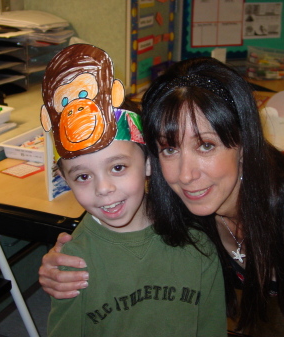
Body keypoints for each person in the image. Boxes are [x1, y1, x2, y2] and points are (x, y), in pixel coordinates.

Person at [39, 57, 284, 337]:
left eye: (206, 145)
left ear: (245, 143)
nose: (185, 175)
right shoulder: (187, 211)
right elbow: (112, 203)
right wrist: (61, 260)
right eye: (170, 149)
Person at [41, 44, 226, 337]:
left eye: (117, 168)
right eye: (83, 176)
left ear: (149, 163)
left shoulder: (198, 244)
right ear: (65, 179)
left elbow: (211, 325)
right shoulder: (73, 262)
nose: (103, 189)